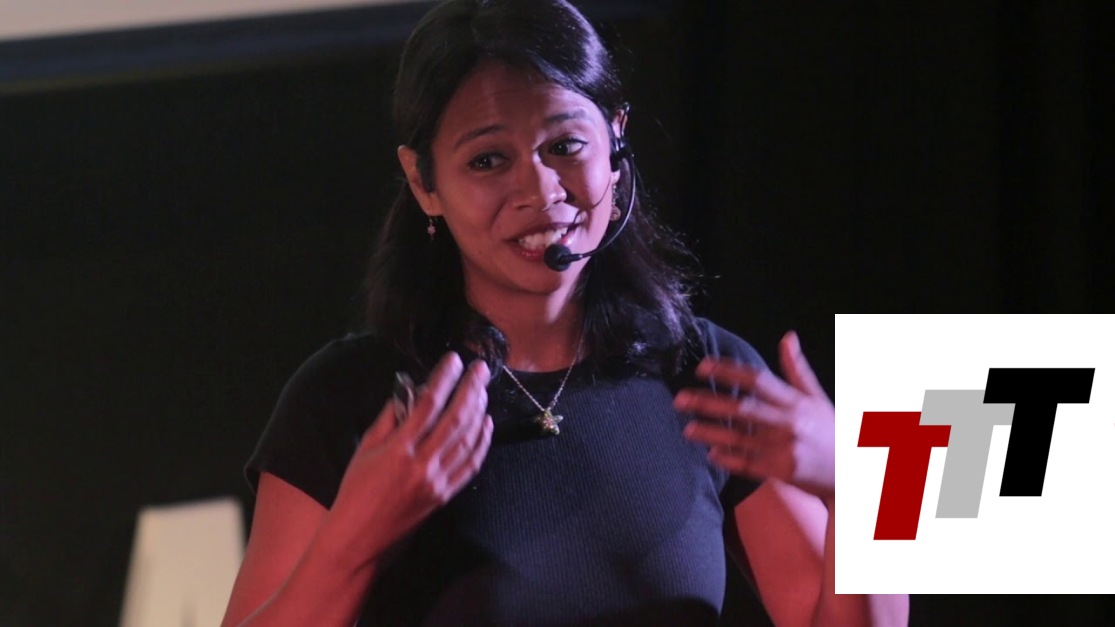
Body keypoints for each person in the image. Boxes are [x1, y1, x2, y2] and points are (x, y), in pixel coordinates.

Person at [221, 0, 909, 625]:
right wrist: (356, 534)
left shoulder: (702, 372)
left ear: (616, 142)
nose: (540, 188)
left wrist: (858, 489)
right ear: (423, 182)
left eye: (565, 146)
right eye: (488, 160)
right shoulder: (349, 399)